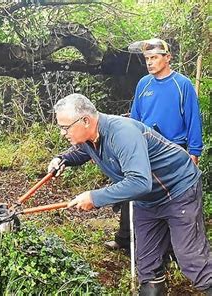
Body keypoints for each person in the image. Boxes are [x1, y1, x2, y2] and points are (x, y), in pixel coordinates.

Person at [48, 93, 211, 295]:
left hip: (178, 190)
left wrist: (94, 197)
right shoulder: (90, 137)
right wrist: (61, 159)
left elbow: (140, 182)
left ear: (85, 120)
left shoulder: (122, 134)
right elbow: (83, 151)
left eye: (65, 128)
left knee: (192, 261)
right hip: (146, 201)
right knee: (147, 265)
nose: (63, 134)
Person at [105, 38, 204, 252]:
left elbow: (194, 120)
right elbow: (134, 119)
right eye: (147, 59)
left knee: (170, 197)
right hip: (145, 147)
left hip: (174, 150)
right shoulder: (144, 84)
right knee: (132, 187)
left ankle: (171, 248)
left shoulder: (182, 84)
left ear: (167, 58)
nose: (150, 63)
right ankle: (124, 238)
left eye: (154, 58)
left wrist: (194, 152)